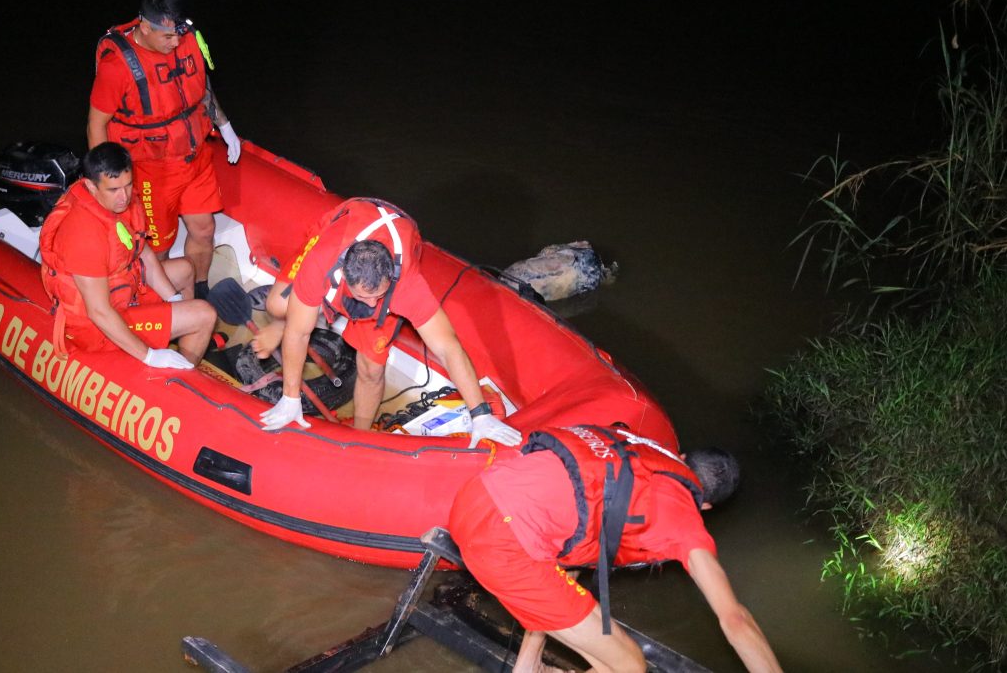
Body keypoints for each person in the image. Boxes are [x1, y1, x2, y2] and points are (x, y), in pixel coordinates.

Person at [449, 424, 782, 673]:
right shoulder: (685, 523)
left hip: (474, 495)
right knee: (630, 665)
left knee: (599, 642)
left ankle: (528, 667)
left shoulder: (635, 445)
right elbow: (735, 620)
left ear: (681, 458)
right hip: (503, 545)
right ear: (706, 507)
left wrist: (530, 654)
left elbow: (570, 554)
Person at [253, 197, 520, 448]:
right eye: (362, 297)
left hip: (397, 246)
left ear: (390, 277)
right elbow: (299, 334)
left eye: (376, 297)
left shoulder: (407, 285)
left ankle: (360, 434)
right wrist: (290, 398)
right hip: (346, 221)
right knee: (279, 306)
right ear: (344, 276)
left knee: (371, 368)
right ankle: (290, 318)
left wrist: (480, 414)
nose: (370, 306)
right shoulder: (321, 263)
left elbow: (448, 348)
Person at [87, 0, 242, 299]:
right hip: (151, 170)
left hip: (195, 157)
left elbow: (200, 86)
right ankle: (160, 305)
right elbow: (96, 124)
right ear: (145, 27)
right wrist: (107, 184)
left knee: (204, 229)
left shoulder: (185, 37)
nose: (176, 43)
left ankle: (198, 293)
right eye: (168, 37)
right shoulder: (117, 66)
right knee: (158, 248)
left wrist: (224, 124)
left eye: (179, 35)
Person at [39, 142, 217, 368]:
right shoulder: (84, 235)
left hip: (123, 291)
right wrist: (150, 356)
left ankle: (184, 341)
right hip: (96, 327)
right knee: (205, 315)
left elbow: (143, 253)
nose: (124, 196)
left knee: (185, 270)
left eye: (128, 185)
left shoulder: (120, 204)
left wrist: (173, 300)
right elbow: (98, 312)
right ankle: (178, 375)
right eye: (113, 190)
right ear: (91, 187)